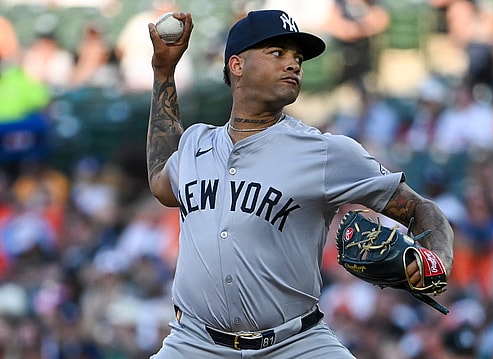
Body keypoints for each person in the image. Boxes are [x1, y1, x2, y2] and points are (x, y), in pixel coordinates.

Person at [146, 9, 454, 358]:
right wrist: (164, 71)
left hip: (295, 344)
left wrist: (439, 256)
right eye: (277, 53)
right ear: (237, 65)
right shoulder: (195, 143)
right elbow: (160, 178)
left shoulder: (324, 151)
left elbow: (420, 207)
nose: (293, 64)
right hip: (194, 343)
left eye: (297, 58)